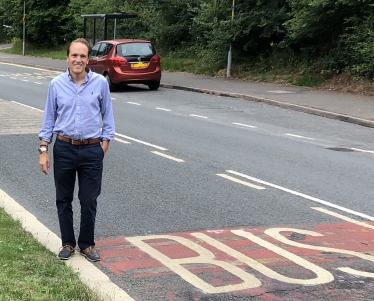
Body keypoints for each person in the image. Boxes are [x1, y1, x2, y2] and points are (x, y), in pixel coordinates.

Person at [38, 38, 115, 262]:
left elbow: (108, 118)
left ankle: (87, 245)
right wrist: (44, 149)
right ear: (67, 58)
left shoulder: (100, 83)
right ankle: (68, 243)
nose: (78, 60)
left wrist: (104, 147)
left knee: (89, 199)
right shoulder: (56, 84)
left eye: (83, 56)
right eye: (74, 55)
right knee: (63, 198)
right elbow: (48, 120)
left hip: (92, 150)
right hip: (64, 148)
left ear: (88, 59)